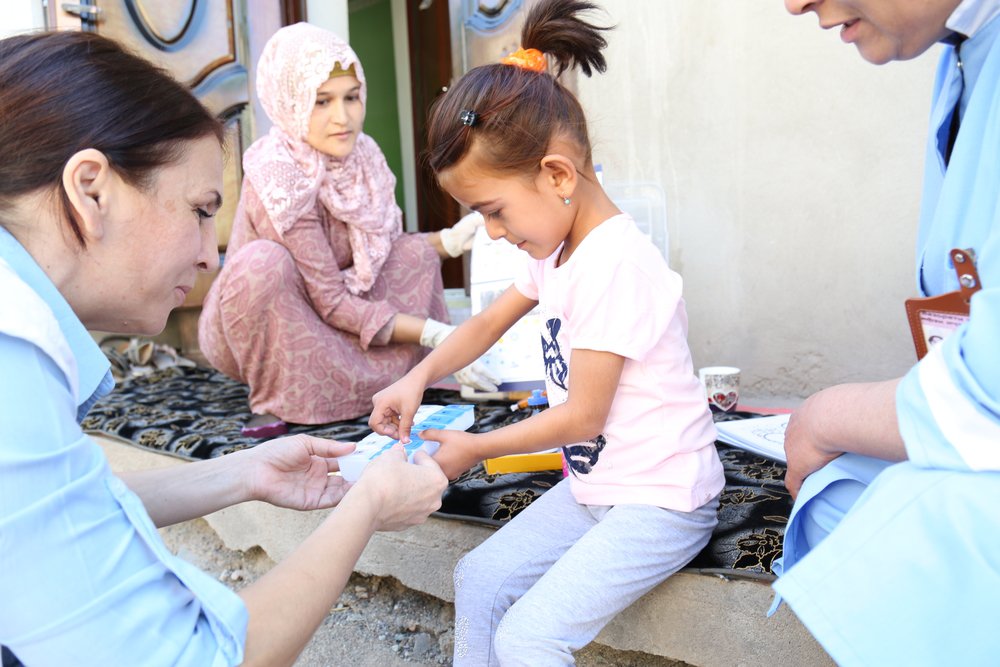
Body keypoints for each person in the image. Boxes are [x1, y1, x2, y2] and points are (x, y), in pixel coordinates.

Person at [0, 30, 447, 667]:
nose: (211, 253)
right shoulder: (11, 358)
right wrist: (370, 502)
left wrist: (245, 472)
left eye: (352, 97)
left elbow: (67, 503)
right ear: (91, 189)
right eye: (200, 210)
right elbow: (203, 658)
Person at [369, 1, 725, 663]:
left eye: (494, 210)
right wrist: (416, 375)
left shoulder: (614, 263)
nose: (495, 233)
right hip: (598, 489)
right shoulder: (553, 251)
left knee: (531, 636)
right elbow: (483, 323)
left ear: (557, 174)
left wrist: (474, 448)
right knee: (479, 577)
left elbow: (583, 415)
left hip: (661, 500)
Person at [772, 1, 1000, 664]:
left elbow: (989, 387)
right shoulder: (964, 53)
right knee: (834, 491)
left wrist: (826, 416)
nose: (795, 3)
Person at [198, 22, 499, 438]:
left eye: (351, 97)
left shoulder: (364, 157)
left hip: (335, 305)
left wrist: (450, 241)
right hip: (276, 320)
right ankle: (276, 399)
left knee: (412, 252)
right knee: (264, 263)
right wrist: (440, 336)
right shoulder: (278, 172)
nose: (342, 117)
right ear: (291, 103)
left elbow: (384, 253)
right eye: (321, 101)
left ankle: (387, 382)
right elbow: (330, 300)